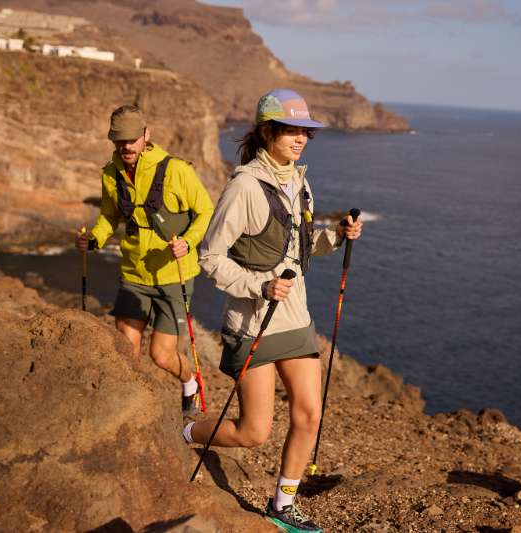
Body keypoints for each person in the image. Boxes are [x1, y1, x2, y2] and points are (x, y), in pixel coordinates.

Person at [183, 89, 362, 533]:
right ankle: (187, 434)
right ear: (268, 132)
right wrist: (259, 285)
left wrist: (337, 236)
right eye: (291, 130)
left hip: (295, 319)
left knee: (309, 414)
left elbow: (296, 250)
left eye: (305, 131)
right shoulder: (244, 187)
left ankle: (282, 505)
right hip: (253, 324)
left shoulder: (299, 180)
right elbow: (210, 257)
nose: (300, 138)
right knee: (253, 433)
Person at [75, 104, 214, 414]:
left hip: (173, 275)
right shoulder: (111, 173)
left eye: (131, 139)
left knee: (162, 355)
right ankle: (130, 412)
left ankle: (190, 382)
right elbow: (109, 217)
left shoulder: (177, 169)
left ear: (146, 135)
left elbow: (206, 210)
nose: (126, 146)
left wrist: (189, 243)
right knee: (127, 351)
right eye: (119, 140)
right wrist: (94, 239)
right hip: (133, 275)